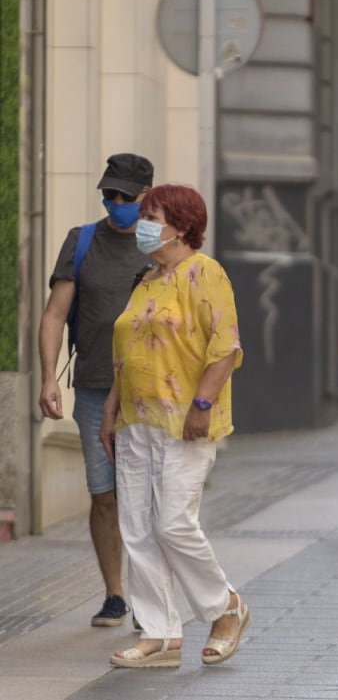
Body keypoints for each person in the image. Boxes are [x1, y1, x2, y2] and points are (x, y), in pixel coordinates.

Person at [99, 184, 248, 668]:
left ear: (181, 226)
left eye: (152, 215)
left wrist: (202, 403)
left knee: (172, 524)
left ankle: (225, 607)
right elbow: (127, 353)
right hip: (135, 419)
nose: (143, 224)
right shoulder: (146, 279)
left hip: (184, 417)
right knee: (137, 528)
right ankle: (160, 634)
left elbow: (224, 346)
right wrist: (111, 410)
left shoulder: (205, 272)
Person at [38, 153, 154, 628]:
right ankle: (114, 593)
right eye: (111, 195)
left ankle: (151, 599)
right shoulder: (82, 241)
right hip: (92, 387)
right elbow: (54, 315)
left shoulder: (162, 245)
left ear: (148, 196)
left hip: (150, 391)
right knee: (104, 494)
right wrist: (48, 378)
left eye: (127, 196)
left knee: (146, 497)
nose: (117, 204)